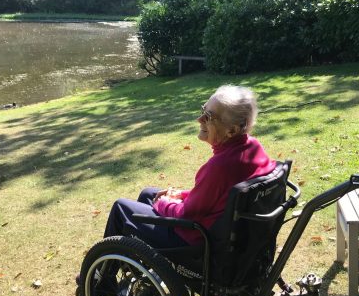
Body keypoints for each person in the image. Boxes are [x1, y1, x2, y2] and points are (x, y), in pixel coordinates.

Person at [101, 85, 276, 247]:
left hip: (196, 241)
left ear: (231, 130)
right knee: (148, 194)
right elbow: (215, 196)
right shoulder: (252, 147)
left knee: (121, 208)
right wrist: (180, 194)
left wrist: (163, 203)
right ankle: (136, 261)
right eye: (203, 111)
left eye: (208, 117)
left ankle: (100, 278)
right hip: (225, 230)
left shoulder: (220, 166)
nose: (199, 119)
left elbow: (187, 214)